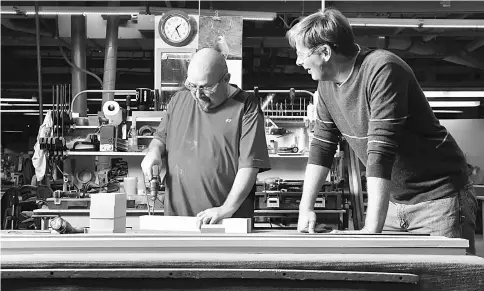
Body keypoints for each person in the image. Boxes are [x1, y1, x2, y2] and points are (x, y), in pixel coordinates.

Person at [286, 8, 477, 254]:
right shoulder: (325, 86)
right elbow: (322, 146)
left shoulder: (382, 69)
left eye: (301, 55)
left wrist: (370, 232)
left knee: (446, 280)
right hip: (393, 203)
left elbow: (381, 150)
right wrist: (306, 208)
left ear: (325, 52)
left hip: (438, 200)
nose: (298, 62)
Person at [141, 48, 270, 229]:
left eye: (206, 87)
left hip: (226, 223)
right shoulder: (178, 100)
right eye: (192, 85)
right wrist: (153, 153)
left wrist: (226, 209)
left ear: (226, 79)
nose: (197, 94)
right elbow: (160, 139)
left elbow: (250, 165)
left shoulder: (246, 106)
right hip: (177, 221)